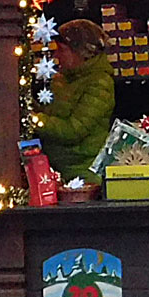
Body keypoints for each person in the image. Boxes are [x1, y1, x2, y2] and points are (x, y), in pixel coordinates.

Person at [32, 19, 117, 180]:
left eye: (62, 50)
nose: (56, 56)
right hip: (55, 171)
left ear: (80, 52)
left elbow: (74, 130)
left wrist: (34, 120)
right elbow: (51, 113)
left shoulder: (100, 83)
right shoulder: (61, 79)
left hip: (83, 174)